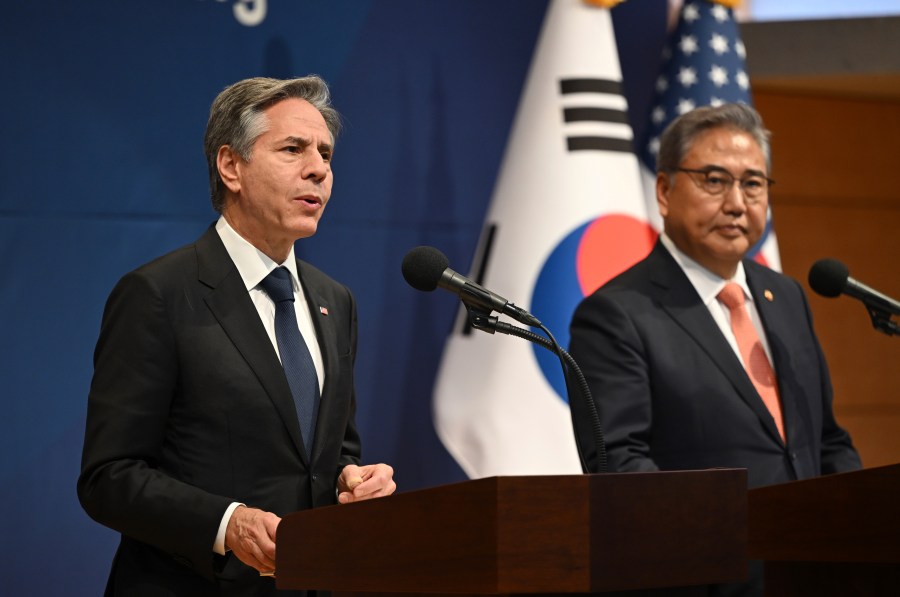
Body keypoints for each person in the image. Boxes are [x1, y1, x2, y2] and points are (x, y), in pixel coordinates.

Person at [78, 76, 396, 596]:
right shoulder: (159, 294)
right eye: (292, 149)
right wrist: (227, 525)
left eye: (325, 153)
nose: (318, 168)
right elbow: (108, 477)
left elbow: (331, 451)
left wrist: (351, 480)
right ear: (231, 167)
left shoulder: (334, 301)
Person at [568, 103, 861, 596]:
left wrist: (856, 531)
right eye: (714, 179)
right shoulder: (617, 314)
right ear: (664, 191)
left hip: (814, 573)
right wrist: (731, 546)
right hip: (706, 580)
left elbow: (826, 441)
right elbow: (620, 467)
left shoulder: (785, 296)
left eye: (753, 183)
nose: (737, 203)